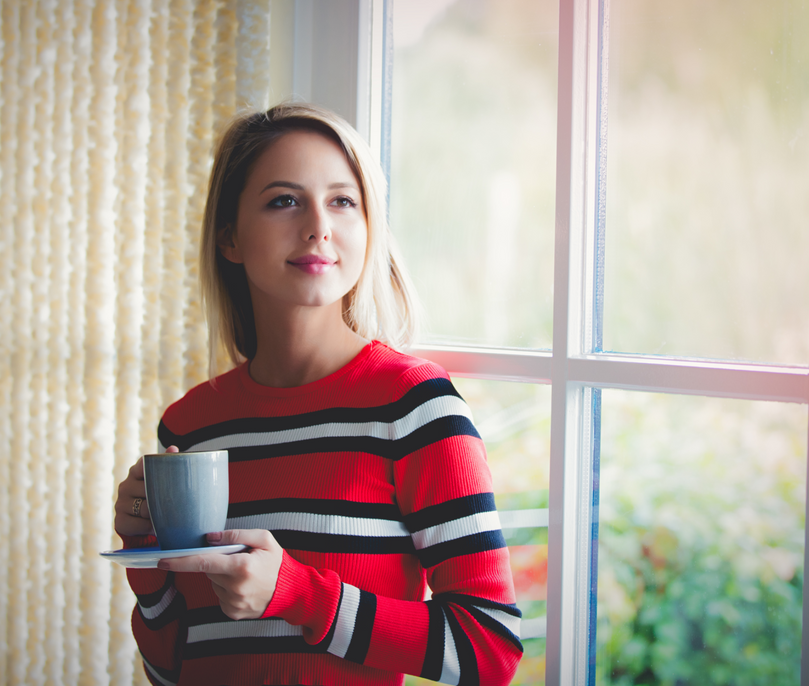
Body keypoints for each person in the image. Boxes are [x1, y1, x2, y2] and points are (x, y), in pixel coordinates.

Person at [113, 102, 523, 685]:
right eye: (284, 200)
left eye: (342, 201)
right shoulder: (190, 425)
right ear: (228, 236)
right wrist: (145, 560)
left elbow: (490, 652)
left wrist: (299, 595)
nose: (318, 226)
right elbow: (172, 670)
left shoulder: (413, 405)